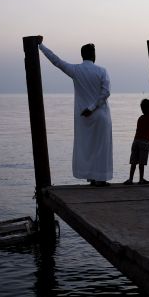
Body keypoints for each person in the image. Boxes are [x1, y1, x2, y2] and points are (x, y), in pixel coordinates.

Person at [37, 36, 113, 186]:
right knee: (101, 147)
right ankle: (100, 179)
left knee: (87, 147)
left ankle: (92, 177)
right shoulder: (102, 71)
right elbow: (105, 93)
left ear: (82, 55)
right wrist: (92, 107)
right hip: (100, 114)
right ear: (93, 55)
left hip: (84, 116)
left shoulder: (76, 70)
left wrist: (41, 45)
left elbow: (56, 61)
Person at [123, 98, 149, 185]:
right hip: (144, 144)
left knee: (133, 162)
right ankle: (141, 179)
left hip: (136, 142)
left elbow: (145, 128)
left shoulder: (141, 118)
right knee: (141, 163)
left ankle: (130, 179)